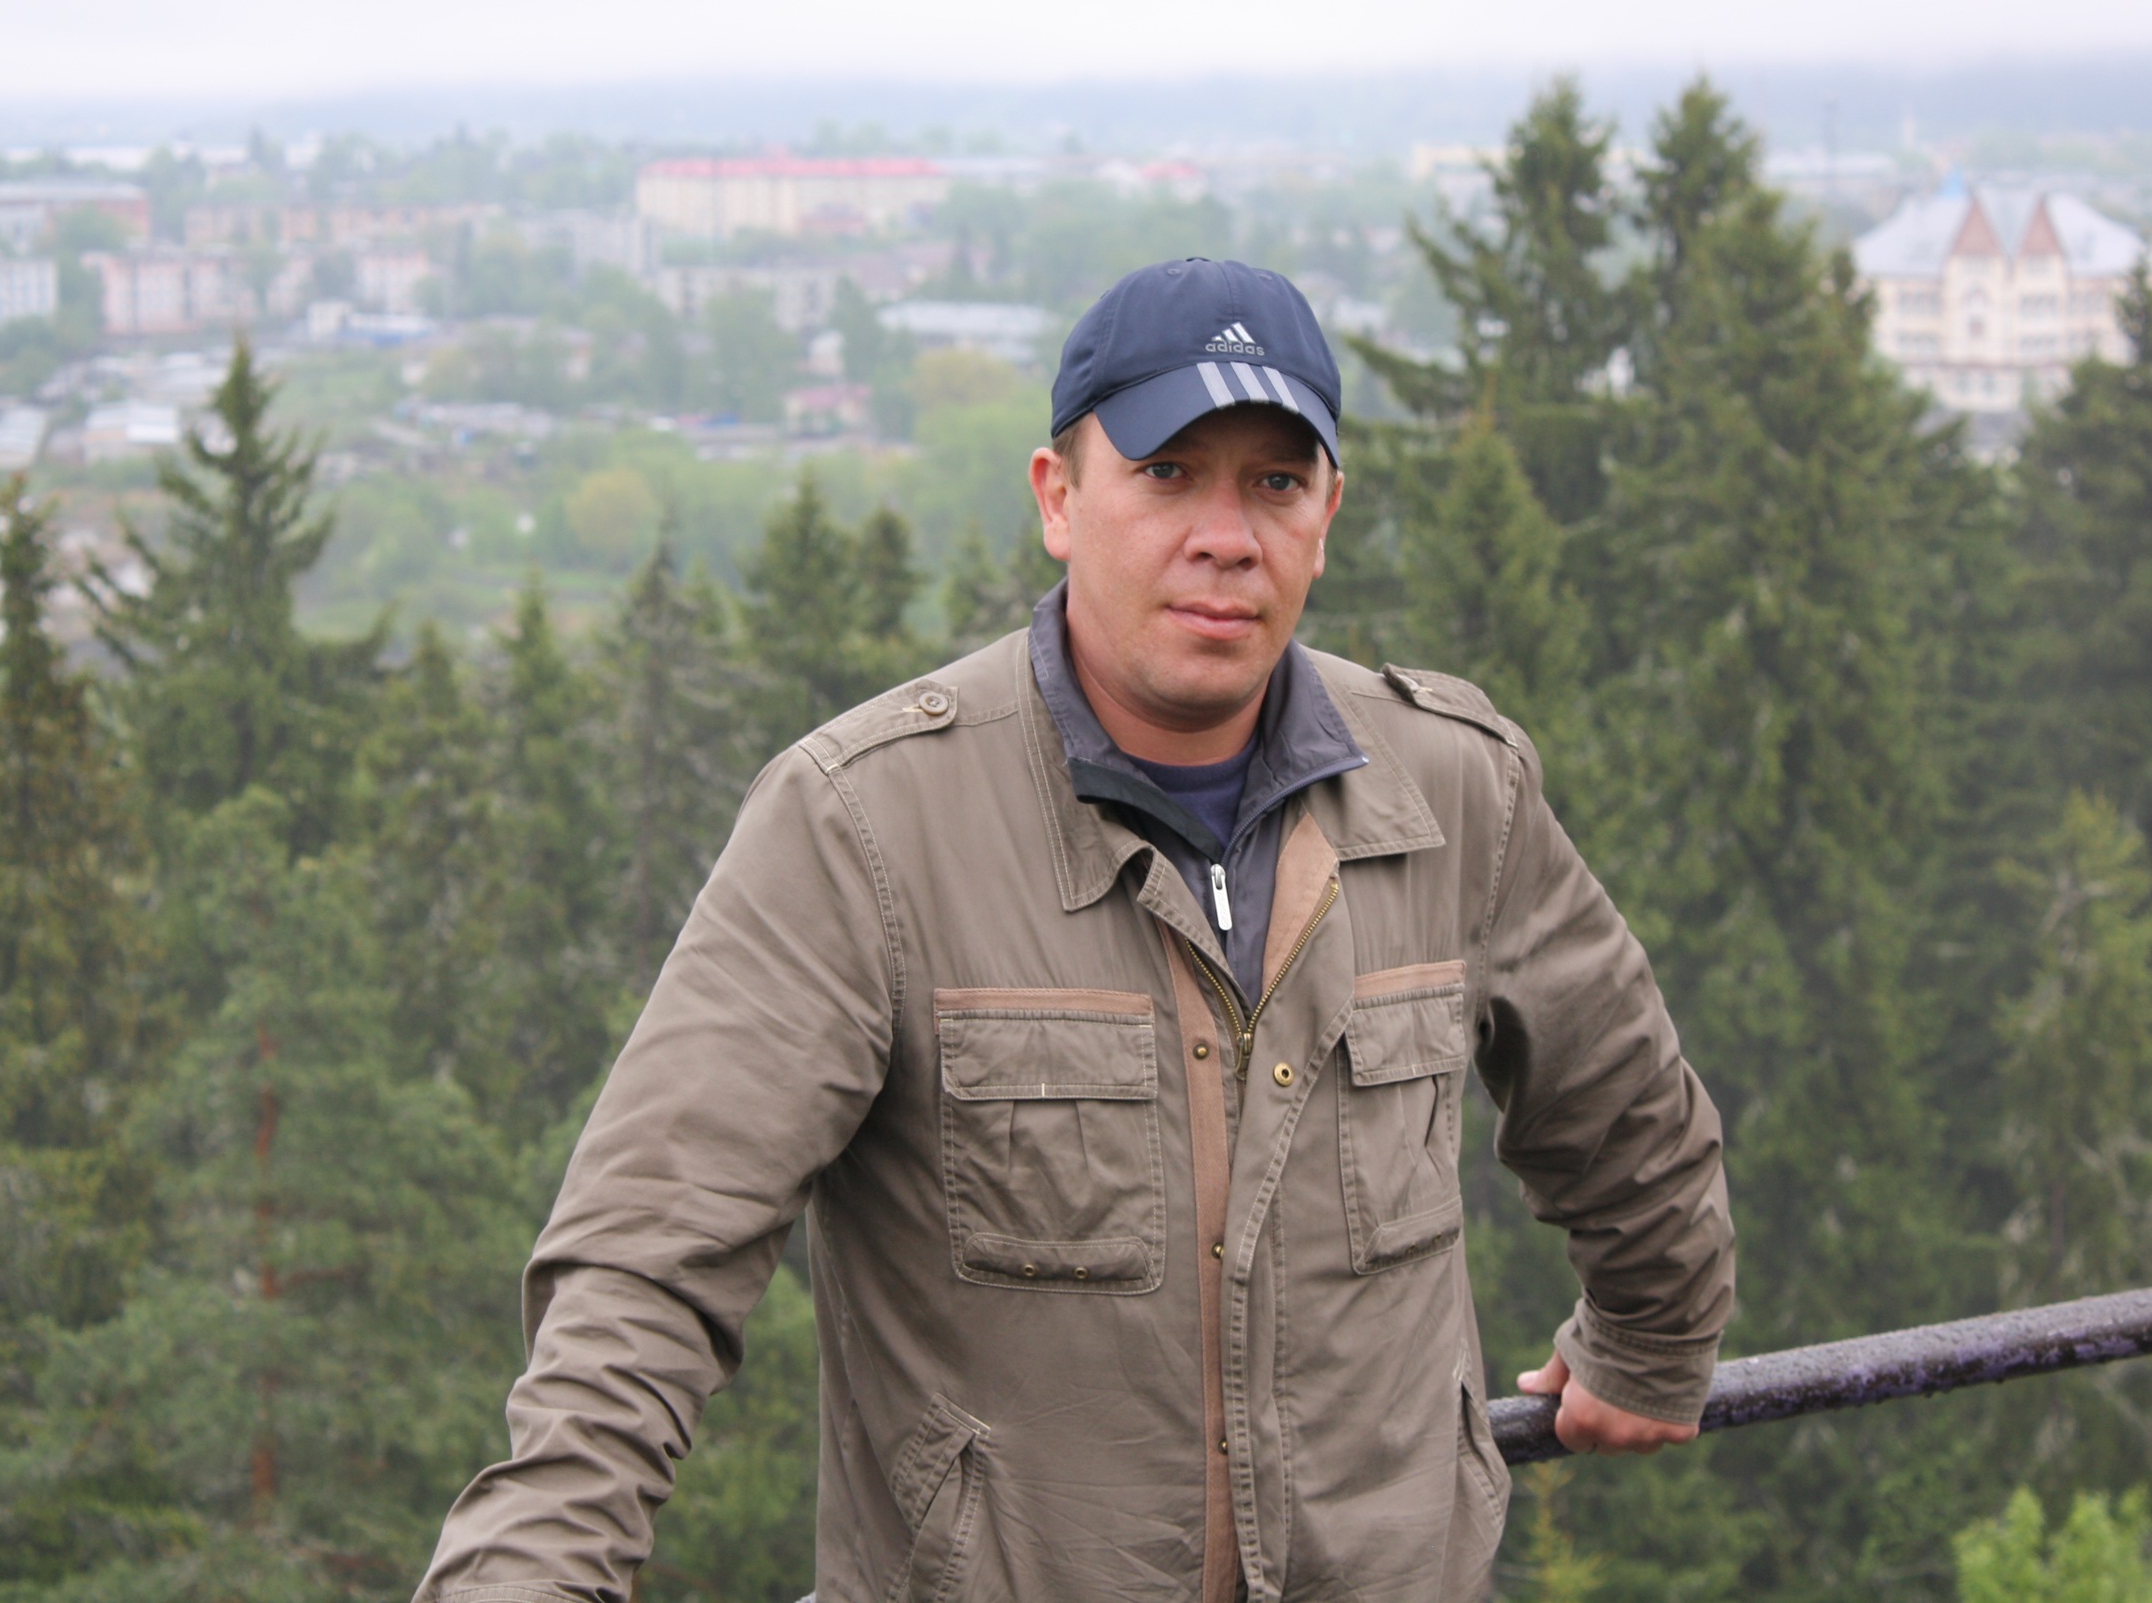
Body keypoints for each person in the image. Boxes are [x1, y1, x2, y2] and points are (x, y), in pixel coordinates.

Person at [413, 258, 1734, 1602]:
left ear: (1327, 516)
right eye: (1167, 474)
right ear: (1058, 497)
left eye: (1277, 483)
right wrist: (533, 1577)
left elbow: (1624, 1103)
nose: (1227, 536)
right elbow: (647, 1257)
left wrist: (1652, 1339)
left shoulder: (1451, 787)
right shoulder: (868, 825)